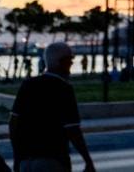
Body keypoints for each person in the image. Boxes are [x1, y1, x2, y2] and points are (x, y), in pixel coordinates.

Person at [9, 42, 96, 172]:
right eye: (70, 60)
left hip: (26, 162)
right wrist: (88, 160)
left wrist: (17, 158)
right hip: (53, 161)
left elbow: (13, 123)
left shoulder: (28, 85)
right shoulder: (64, 88)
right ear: (61, 62)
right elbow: (72, 129)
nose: (72, 64)